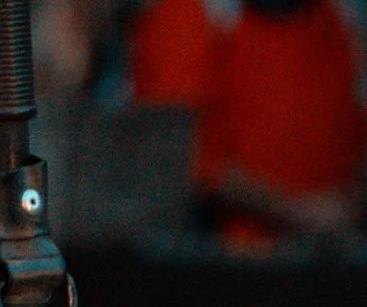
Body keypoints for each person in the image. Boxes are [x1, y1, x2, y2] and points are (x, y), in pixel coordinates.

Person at [131, 0, 366, 246]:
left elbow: (356, 130)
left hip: (330, 248)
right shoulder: (191, 14)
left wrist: (348, 207)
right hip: (219, 249)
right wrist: (296, 210)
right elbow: (177, 154)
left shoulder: (335, 19)